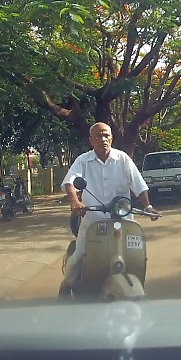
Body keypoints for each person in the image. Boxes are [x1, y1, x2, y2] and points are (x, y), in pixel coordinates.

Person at [58, 122, 160, 298]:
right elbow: (70, 182)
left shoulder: (123, 159)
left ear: (112, 138)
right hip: (93, 220)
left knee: (137, 250)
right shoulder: (83, 161)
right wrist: (75, 202)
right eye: (98, 136)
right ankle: (66, 285)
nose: (103, 139)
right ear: (91, 140)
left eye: (106, 135)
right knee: (79, 256)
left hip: (123, 218)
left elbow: (139, 185)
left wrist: (148, 206)